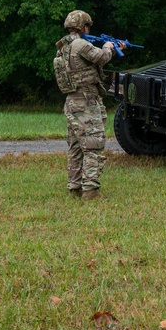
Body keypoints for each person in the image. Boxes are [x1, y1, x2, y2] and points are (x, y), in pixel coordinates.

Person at [53, 10, 123, 200]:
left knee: (76, 147)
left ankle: (75, 187)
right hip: (85, 102)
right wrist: (109, 47)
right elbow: (101, 57)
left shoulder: (63, 47)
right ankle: (90, 191)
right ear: (83, 26)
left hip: (72, 101)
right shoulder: (80, 44)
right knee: (93, 145)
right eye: (87, 26)